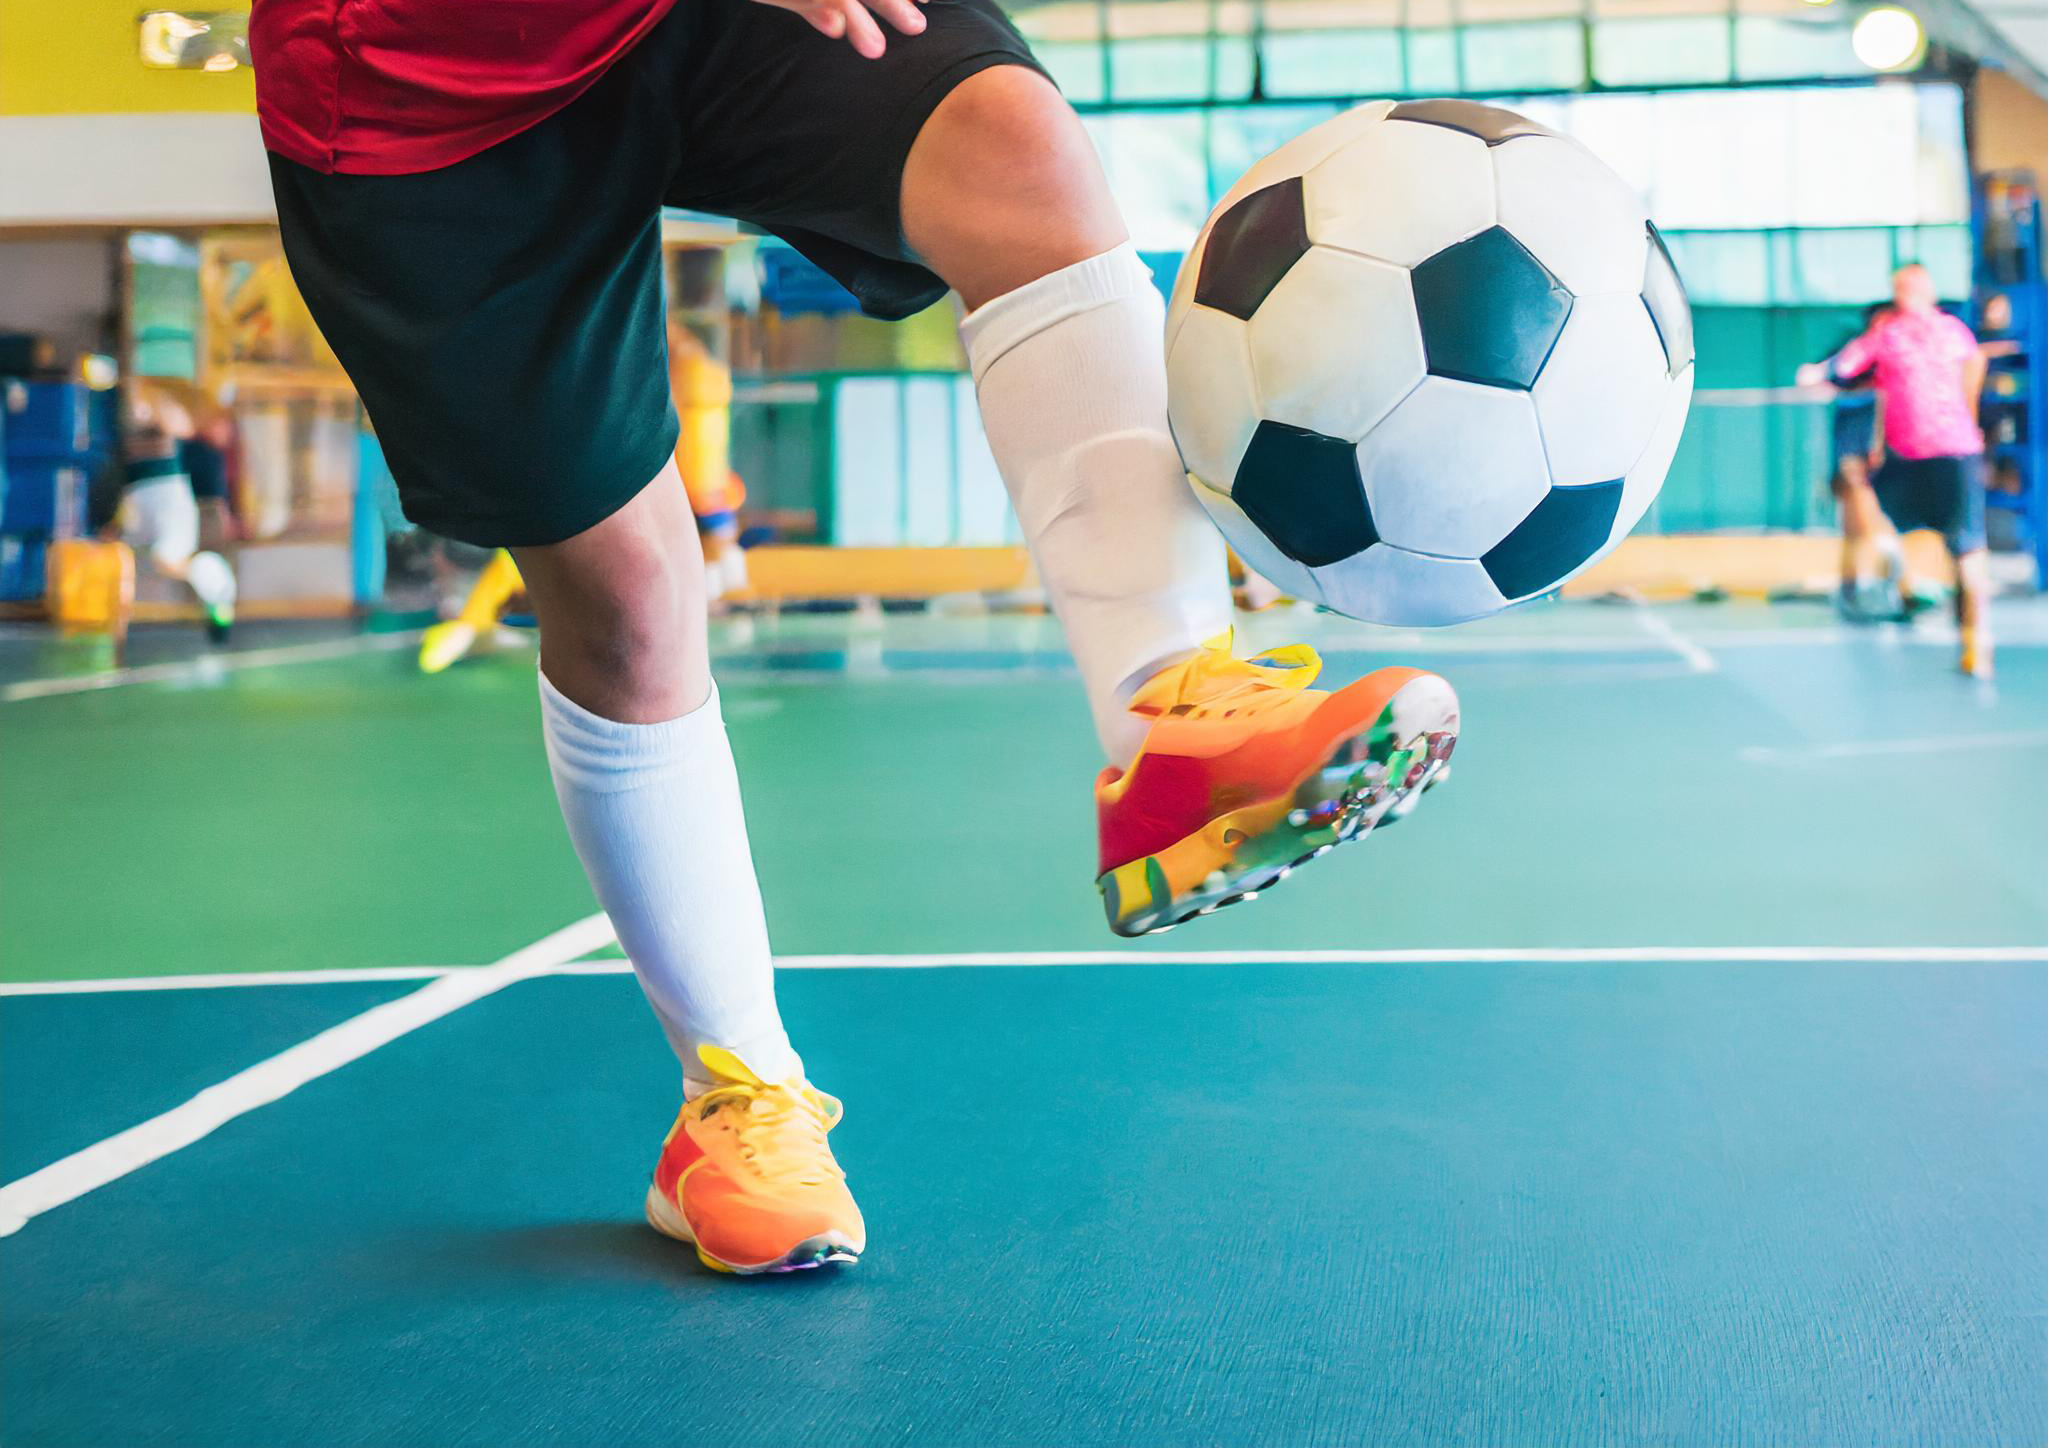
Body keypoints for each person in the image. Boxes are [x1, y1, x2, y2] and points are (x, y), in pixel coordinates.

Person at [247, 0, 1461, 1274]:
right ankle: (736, 1095)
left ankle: (1173, 719)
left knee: (1007, 144)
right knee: (630, 605)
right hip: (417, 84)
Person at [1799, 265, 1992, 677]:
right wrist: (1968, 414)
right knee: (1968, 548)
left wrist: (1814, 374)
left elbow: (1842, 368)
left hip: (1913, 458)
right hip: (1958, 452)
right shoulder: (1955, 331)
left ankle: (1906, 585)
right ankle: (1974, 639)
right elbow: (1973, 364)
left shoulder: (1888, 335)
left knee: (1875, 509)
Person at [115, 382, 237, 643]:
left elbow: (182, 428)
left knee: (167, 559)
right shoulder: (115, 416)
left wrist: (155, 414)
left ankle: (219, 596)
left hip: (166, 496)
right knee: (122, 555)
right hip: (137, 496)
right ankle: (116, 625)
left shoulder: (163, 410)